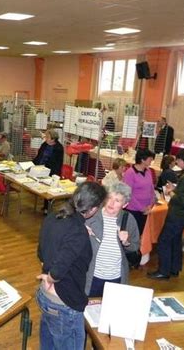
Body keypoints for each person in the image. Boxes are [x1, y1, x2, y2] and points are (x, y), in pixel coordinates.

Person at [36, 182, 107, 350]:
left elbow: (41, 253)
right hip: (63, 303)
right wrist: (51, 277)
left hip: (45, 296)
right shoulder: (78, 231)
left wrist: (47, 275)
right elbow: (59, 270)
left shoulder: (55, 215)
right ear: (93, 209)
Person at [148, 148, 184, 280]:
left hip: (178, 215)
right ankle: (174, 268)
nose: (177, 161)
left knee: (164, 241)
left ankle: (163, 271)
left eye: (179, 160)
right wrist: (176, 189)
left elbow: (181, 200)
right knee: (175, 242)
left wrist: (171, 192)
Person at [85, 182, 140, 297]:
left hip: (116, 277)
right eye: (109, 197)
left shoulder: (128, 220)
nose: (111, 203)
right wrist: (82, 230)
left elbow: (135, 247)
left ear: (125, 205)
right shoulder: (92, 214)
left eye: (117, 200)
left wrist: (126, 242)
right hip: (91, 276)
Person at [122, 148, 156, 235]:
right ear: (142, 160)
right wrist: (141, 208)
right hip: (133, 210)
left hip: (146, 209)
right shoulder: (130, 173)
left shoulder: (148, 171)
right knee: (131, 234)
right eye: (150, 159)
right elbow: (128, 194)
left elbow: (151, 188)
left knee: (141, 233)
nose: (151, 161)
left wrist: (150, 205)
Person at [33, 129, 64, 213]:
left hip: (51, 171)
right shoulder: (44, 144)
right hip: (40, 168)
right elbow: (39, 156)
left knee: (48, 189)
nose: (45, 138)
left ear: (53, 139)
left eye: (47, 137)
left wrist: (54, 175)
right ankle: (45, 206)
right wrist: (32, 164)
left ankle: (47, 208)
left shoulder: (59, 148)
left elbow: (57, 163)